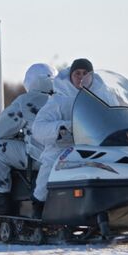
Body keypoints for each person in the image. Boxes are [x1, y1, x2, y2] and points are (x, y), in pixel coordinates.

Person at [0, 63, 57, 214]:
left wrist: (19, 136)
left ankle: (0, 200)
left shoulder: (27, 101)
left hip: (39, 159)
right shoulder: (65, 99)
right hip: (64, 157)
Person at [32, 58, 93, 204]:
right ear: (70, 76)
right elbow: (38, 128)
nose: (81, 77)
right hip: (62, 149)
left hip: (93, 147)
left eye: (85, 73)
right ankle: (39, 204)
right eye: (77, 73)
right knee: (51, 166)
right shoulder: (59, 100)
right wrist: (64, 127)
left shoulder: (102, 98)